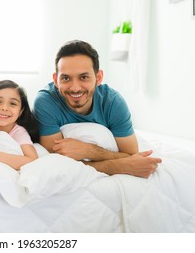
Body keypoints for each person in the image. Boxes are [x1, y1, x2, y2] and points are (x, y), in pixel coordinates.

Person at [33, 40, 161, 178]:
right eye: (65, 78)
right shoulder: (45, 102)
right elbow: (57, 161)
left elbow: (131, 155)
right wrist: (117, 166)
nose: (75, 88)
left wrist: (89, 151)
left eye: (84, 77)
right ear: (55, 80)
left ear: (98, 78)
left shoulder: (113, 102)